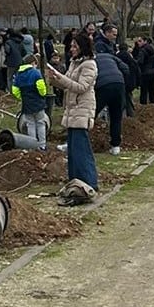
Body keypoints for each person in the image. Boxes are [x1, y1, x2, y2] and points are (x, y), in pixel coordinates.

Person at [43, 33, 99, 191]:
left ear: (83, 47)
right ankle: (75, 181)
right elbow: (66, 84)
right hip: (72, 110)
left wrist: (61, 77)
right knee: (73, 150)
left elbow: (81, 87)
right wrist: (54, 79)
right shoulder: (74, 63)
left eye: (75, 46)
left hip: (82, 109)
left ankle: (89, 182)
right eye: (71, 46)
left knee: (81, 150)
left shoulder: (89, 64)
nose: (72, 49)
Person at [92, 42, 127, 155]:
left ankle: (78, 141)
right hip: (119, 84)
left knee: (91, 114)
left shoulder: (90, 61)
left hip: (102, 86)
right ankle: (115, 146)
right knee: (116, 116)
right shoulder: (111, 56)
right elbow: (125, 68)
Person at [11, 55, 51, 150]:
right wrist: (43, 94)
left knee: (30, 124)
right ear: (33, 63)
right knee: (41, 123)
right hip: (38, 103)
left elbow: (15, 90)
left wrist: (22, 97)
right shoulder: (36, 73)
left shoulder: (18, 75)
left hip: (26, 104)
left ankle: (32, 146)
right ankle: (42, 145)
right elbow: (41, 87)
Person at [132, 36, 154, 106]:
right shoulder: (153, 49)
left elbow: (140, 61)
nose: (138, 43)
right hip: (153, 72)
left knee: (144, 91)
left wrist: (134, 61)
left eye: (140, 41)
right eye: (137, 41)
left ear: (145, 41)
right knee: (152, 91)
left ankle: (143, 106)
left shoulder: (142, 50)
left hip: (145, 73)